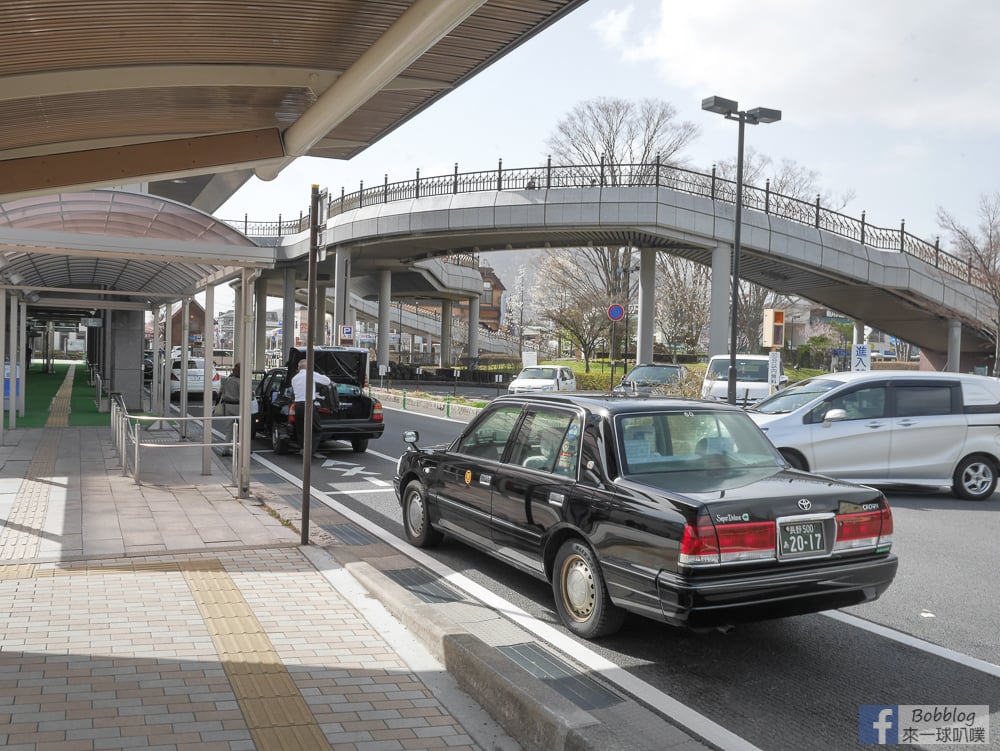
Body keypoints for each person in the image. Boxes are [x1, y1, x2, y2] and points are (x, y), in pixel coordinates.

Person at [290, 359, 332, 459]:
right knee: (317, 429)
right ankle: (310, 451)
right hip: (308, 405)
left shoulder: (294, 378)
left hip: (298, 405)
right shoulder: (310, 374)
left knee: (301, 428)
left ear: (298, 368)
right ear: (308, 367)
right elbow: (327, 381)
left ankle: (302, 448)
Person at [215, 363, 241, 456]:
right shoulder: (240, 381)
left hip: (228, 405)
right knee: (242, 429)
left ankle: (226, 449)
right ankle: (242, 448)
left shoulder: (227, 380)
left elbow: (221, 392)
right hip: (239, 406)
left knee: (229, 429)